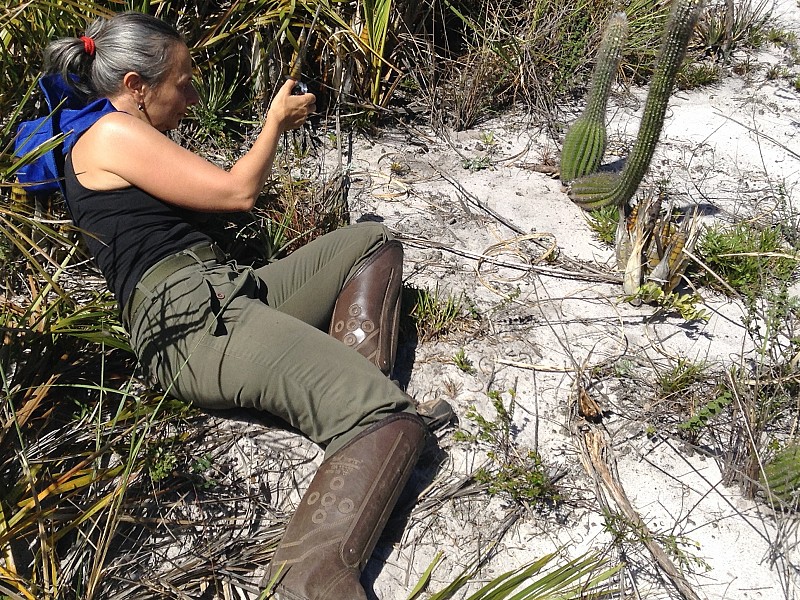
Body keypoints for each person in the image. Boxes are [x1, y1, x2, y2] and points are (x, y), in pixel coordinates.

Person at [37, 11, 452, 600]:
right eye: (183, 82)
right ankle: (307, 583)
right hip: (193, 325)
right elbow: (237, 192)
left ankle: (352, 385)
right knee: (384, 417)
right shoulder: (110, 133)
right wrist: (274, 123)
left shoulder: (120, 132)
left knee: (370, 241)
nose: (192, 96)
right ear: (135, 85)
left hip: (228, 290)